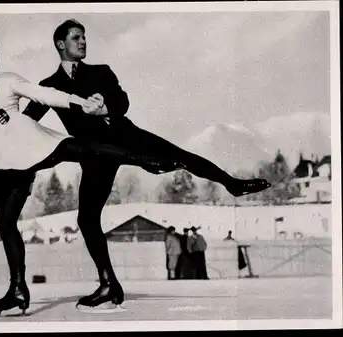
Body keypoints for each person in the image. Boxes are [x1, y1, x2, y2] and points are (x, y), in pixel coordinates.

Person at [22, 19, 270, 309]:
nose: (83, 41)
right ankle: (109, 285)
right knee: (87, 220)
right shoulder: (49, 86)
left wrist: (107, 107)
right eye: (76, 37)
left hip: (124, 135)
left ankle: (233, 184)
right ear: (60, 44)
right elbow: (27, 121)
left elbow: (122, 101)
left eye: (85, 37)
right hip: (95, 154)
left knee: (180, 156)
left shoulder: (101, 72)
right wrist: (1, 123)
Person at [0, 36, 186, 316]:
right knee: (6, 222)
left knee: (81, 148)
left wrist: (79, 103)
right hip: (1, 160)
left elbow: (45, 94)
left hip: (25, 141)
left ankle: (148, 160)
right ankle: (18, 291)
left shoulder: (8, 79)